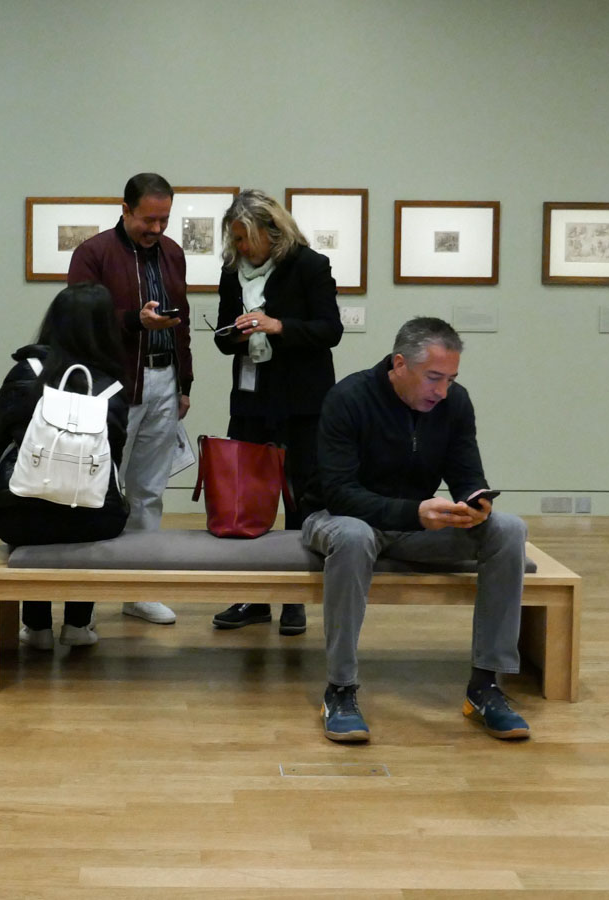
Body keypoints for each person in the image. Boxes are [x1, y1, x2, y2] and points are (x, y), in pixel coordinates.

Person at [303, 317, 531, 743]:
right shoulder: (348, 398)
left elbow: (466, 472)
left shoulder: (455, 403)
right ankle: (340, 689)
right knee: (353, 536)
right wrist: (415, 513)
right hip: (341, 519)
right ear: (399, 364)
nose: (442, 390)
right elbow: (339, 493)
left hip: (415, 525)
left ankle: (485, 687)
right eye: (433, 377)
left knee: (508, 528)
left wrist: (474, 502)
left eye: (451, 379)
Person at [208, 190, 342, 637]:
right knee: (247, 498)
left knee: (301, 498)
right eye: (235, 239)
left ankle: (294, 599)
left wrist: (277, 325)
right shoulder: (232, 272)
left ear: (272, 231)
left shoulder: (310, 265)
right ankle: (253, 596)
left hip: (302, 400)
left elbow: (330, 330)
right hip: (252, 397)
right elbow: (222, 337)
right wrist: (236, 333)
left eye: (245, 237)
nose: (240, 247)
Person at [66, 172, 190, 627]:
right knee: (96, 489)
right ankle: (82, 603)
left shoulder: (173, 253)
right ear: (125, 209)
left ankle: (138, 589)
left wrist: (185, 383)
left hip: (164, 380)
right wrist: (135, 321)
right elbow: (79, 319)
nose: (157, 229)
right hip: (113, 387)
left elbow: (183, 319)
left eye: (164, 219)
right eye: (148, 219)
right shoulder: (93, 253)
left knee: (149, 491)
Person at [0, 283, 130, 648]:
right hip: (96, 519)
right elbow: (112, 456)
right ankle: (78, 626)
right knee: (81, 515)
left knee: (36, 507)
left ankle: (37, 628)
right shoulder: (111, 386)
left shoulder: (25, 371)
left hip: (19, 518)